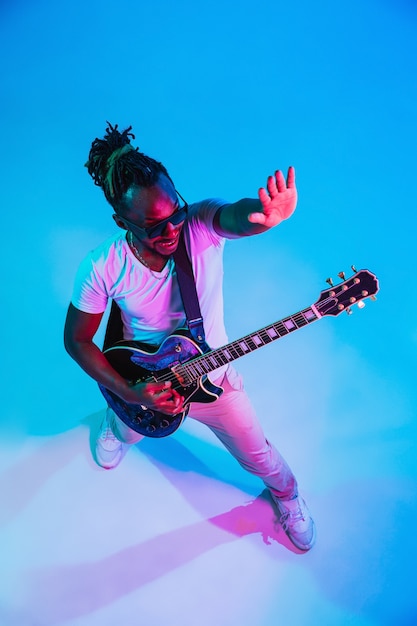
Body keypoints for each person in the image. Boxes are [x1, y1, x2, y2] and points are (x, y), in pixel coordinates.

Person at [64, 122, 316, 552]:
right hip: (144, 382)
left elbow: (236, 216)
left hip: (213, 379)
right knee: (127, 430)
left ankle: (288, 498)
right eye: (151, 226)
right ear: (121, 221)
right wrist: (131, 392)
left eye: (174, 212)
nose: (170, 231)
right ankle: (117, 420)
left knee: (260, 457)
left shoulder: (198, 223)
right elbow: (77, 340)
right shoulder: (102, 265)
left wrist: (263, 217)